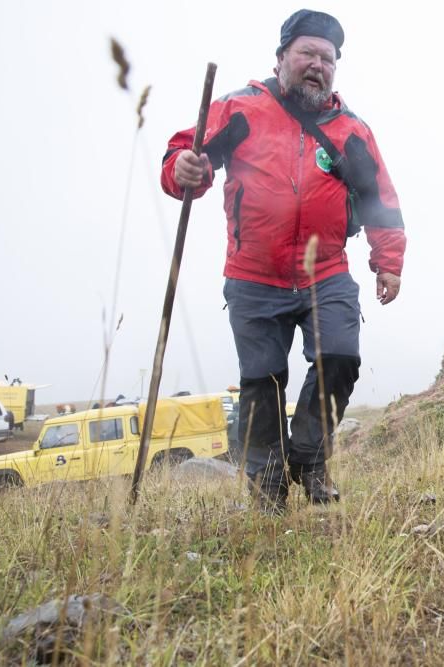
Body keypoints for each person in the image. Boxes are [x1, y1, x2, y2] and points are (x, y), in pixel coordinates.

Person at [161, 9, 406, 512]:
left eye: (328, 58)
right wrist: (183, 169)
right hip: (253, 276)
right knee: (263, 381)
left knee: (340, 358)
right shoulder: (239, 108)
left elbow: (379, 197)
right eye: (308, 54)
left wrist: (389, 259)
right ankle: (267, 484)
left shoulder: (351, 130)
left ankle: (310, 461)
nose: (318, 64)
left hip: (328, 272)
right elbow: (186, 157)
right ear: (281, 59)